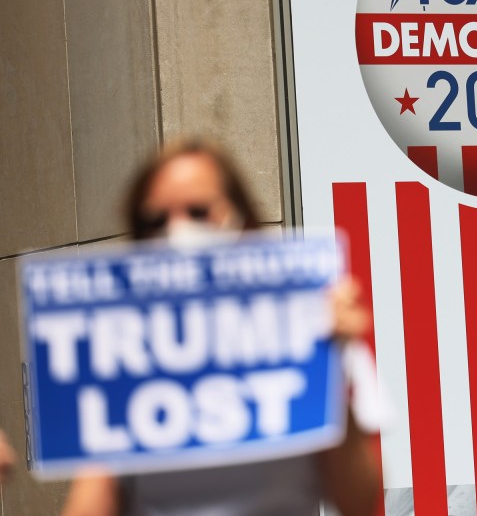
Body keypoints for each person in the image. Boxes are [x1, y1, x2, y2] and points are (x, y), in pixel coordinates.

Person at [61, 138, 381, 516]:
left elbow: (359, 501)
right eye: (156, 220)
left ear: (239, 216)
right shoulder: (114, 346)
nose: (177, 231)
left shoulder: (307, 319)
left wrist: (329, 366)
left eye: (198, 212)